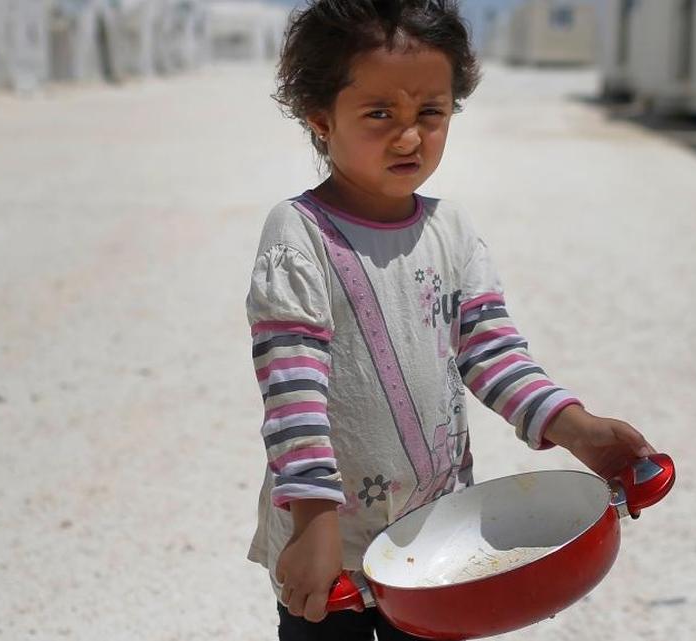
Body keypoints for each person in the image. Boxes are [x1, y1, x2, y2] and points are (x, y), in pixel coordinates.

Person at [245, 1, 657, 639]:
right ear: (321, 118)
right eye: (379, 113)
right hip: (332, 542)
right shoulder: (301, 235)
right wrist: (311, 526)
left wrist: (577, 430)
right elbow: (293, 391)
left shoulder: (452, 232)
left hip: (436, 540)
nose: (409, 137)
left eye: (429, 114)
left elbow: (492, 355)